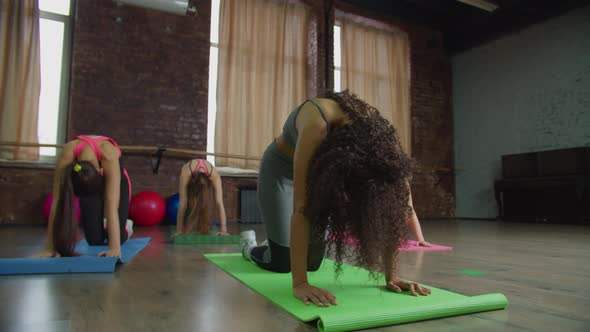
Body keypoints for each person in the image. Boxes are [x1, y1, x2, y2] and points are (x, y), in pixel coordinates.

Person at [240, 90, 431, 307]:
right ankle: (250, 246)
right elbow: (302, 209)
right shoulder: (317, 124)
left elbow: (390, 212)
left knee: (312, 262)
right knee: (284, 262)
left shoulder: (384, 147)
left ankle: (278, 240)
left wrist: (392, 276)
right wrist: (300, 284)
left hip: (321, 173)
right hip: (280, 170)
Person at [37, 135, 133, 258]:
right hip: (87, 178)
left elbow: (111, 205)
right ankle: (103, 226)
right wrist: (49, 249)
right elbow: (57, 201)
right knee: (94, 240)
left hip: (117, 179)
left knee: (117, 238)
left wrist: (114, 249)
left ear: (100, 172)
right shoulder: (66, 155)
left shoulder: (108, 154)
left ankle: (126, 226)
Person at [174, 159, 228, 236]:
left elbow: (219, 203)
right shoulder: (186, 172)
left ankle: (202, 224)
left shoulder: (214, 176)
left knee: (205, 204)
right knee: (193, 204)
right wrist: (179, 230)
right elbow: (183, 203)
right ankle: (191, 223)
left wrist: (223, 230)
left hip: (204, 176)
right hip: (191, 175)